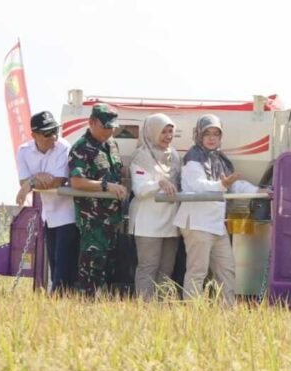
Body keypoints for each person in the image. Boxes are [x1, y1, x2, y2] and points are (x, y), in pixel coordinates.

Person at [173, 114, 264, 304]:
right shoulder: (193, 158)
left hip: (215, 224)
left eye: (216, 133)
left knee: (227, 269)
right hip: (197, 224)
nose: (212, 138)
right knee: (197, 272)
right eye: (207, 133)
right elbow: (198, 185)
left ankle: (227, 314)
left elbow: (234, 185)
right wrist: (221, 185)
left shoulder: (220, 159)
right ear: (199, 135)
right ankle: (190, 317)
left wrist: (259, 191)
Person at [15, 110, 79, 293]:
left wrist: (32, 182)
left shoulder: (63, 147)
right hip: (48, 217)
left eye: (55, 132)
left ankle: (59, 299)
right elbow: (22, 181)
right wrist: (33, 181)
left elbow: (57, 180)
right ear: (34, 135)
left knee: (64, 268)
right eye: (47, 133)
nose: (53, 137)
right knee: (54, 263)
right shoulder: (24, 151)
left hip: (69, 215)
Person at [68, 104, 128, 296]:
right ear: (92, 122)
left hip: (113, 219)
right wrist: (105, 186)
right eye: (105, 127)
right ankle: (88, 305)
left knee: (109, 267)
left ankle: (102, 306)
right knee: (91, 268)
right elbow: (77, 181)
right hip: (93, 221)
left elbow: (118, 172)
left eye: (112, 128)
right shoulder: (81, 148)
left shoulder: (112, 145)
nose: (109, 131)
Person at [128, 114, 181, 300]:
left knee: (167, 269)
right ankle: (145, 310)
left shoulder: (174, 156)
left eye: (170, 131)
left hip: (171, 221)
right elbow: (139, 190)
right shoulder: (141, 156)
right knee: (148, 267)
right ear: (151, 132)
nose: (168, 136)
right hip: (147, 222)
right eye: (163, 132)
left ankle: (162, 312)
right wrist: (159, 183)